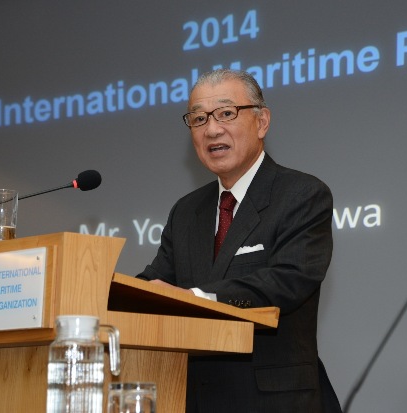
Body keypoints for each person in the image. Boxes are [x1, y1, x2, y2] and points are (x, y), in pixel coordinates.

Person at [137, 68, 341, 412]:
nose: (212, 129)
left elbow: (288, 280)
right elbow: (157, 282)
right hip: (193, 399)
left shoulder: (302, 194)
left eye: (227, 113)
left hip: (275, 401)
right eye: (199, 118)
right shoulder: (186, 211)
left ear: (262, 122)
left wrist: (196, 298)